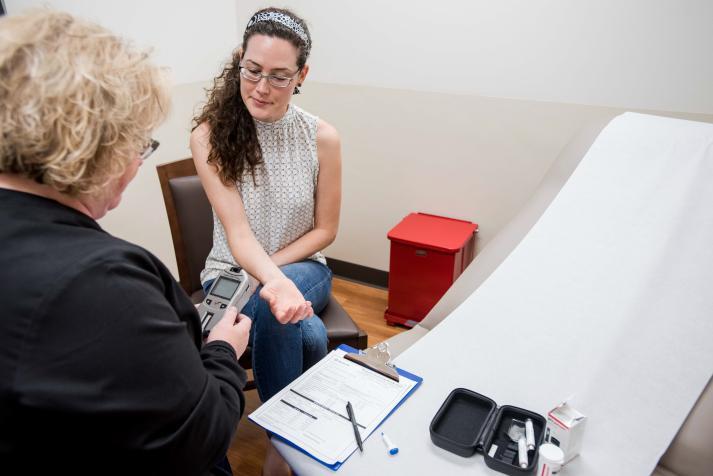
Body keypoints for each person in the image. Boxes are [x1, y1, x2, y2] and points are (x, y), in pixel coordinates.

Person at [0, 10, 251, 476]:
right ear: (96, 145)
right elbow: (203, 434)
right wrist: (221, 349)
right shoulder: (100, 284)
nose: (138, 163)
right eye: (138, 143)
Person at [190, 7, 342, 473]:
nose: (261, 87)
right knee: (303, 328)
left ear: (302, 75)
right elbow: (237, 234)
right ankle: (288, 443)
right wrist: (267, 281)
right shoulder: (209, 135)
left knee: (281, 298)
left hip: (305, 269)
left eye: (278, 77)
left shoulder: (322, 137)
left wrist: (272, 275)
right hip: (231, 275)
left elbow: (325, 231)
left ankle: (281, 444)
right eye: (252, 71)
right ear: (240, 60)